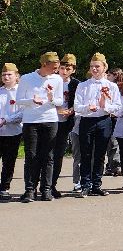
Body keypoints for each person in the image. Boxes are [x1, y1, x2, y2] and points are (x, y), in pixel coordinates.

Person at [73, 53, 123, 196]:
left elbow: (117, 107)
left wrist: (105, 106)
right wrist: (87, 108)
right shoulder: (83, 86)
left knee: (100, 154)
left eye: (97, 66)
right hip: (87, 121)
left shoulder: (111, 86)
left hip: (103, 120)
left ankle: (96, 184)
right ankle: (85, 184)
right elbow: (77, 106)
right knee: (86, 153)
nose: (94, 69)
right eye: (92, 67)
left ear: (104, 68)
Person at [18, 51, 65, 202]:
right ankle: (30, 190)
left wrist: (52, 99)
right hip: (31, 121)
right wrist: (32, 100)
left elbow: (59, 102)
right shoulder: (27, 78)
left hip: (50, 120)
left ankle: (46, 189)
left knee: (48, 155)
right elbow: (19, 100)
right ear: (44, 64)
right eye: (54, 67)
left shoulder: (57, 79)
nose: (56, 70)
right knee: (31, 155)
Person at [52, 53, 77, 197]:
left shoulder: (76, 84)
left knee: (58, 154)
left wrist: (70, 111)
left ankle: (53, 184)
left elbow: (78, 102)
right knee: (46, 154)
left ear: (73, 70)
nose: (64, 71)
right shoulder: (52, 81)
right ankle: (44, 184)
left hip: (65, 122)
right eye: (62, 68)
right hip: (51, 120)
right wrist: (57, 110)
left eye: (68, 69)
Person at [0, 63, 23, 200]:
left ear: (16, 76)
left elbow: (22, 113)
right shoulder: (0, 92)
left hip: (13, 132)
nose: (6, 77)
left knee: (9, 162)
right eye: (4, 75)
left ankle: (4, 188)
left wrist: (6, 120)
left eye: (9, 74)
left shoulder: (20, 92)